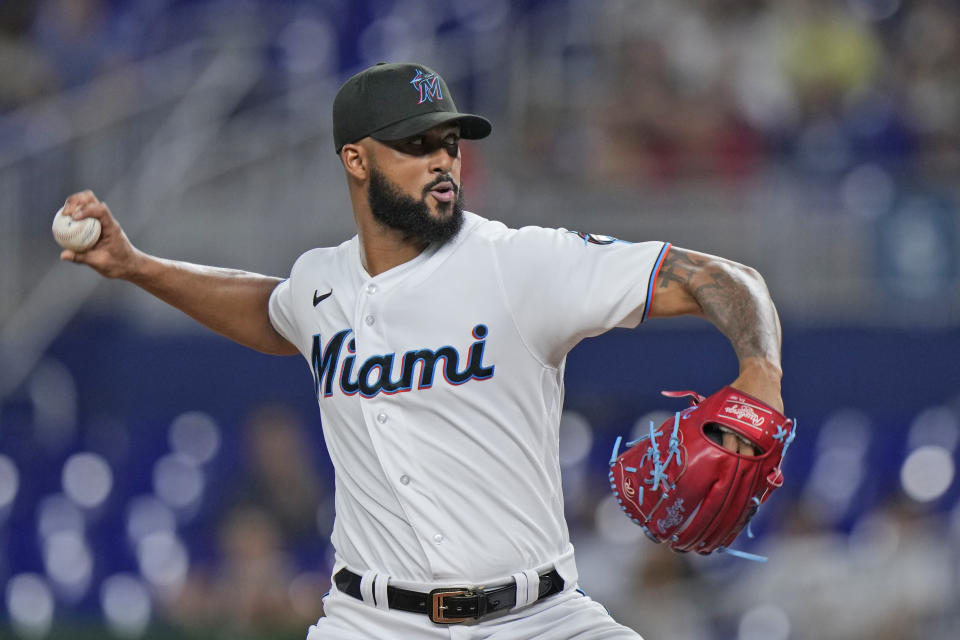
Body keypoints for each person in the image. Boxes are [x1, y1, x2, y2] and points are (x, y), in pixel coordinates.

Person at [58, 62, 784, 639]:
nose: (441, 161)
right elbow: (269, 310)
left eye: (449, 143)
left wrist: (760, 373)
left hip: (539, 618)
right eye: (414, 145)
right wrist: (137, 266)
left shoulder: (520, 263)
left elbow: (724, 278)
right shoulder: (322, 283)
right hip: (371, 621)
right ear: (355, 159)